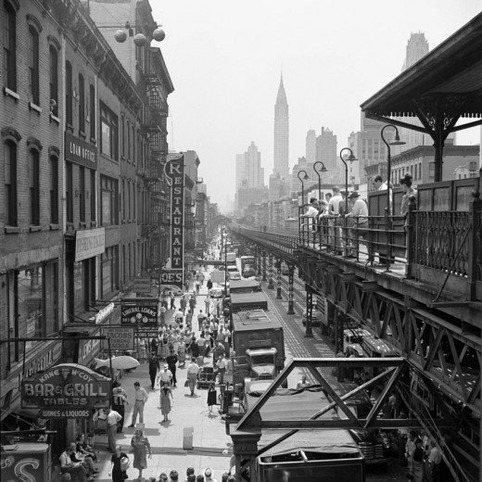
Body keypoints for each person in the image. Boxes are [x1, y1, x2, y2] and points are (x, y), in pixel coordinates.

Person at [345, 191, 369, 257]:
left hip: (361, 223)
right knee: (367, 240)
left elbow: (354, 213)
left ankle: (355, 252)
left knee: (352, 232)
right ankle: (370, 256)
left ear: (353, 198)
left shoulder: (357, 202)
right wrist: (348, 214)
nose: (350, 200)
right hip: (366, 222)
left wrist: (348, 215)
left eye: (351, 199)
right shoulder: (361, 201)